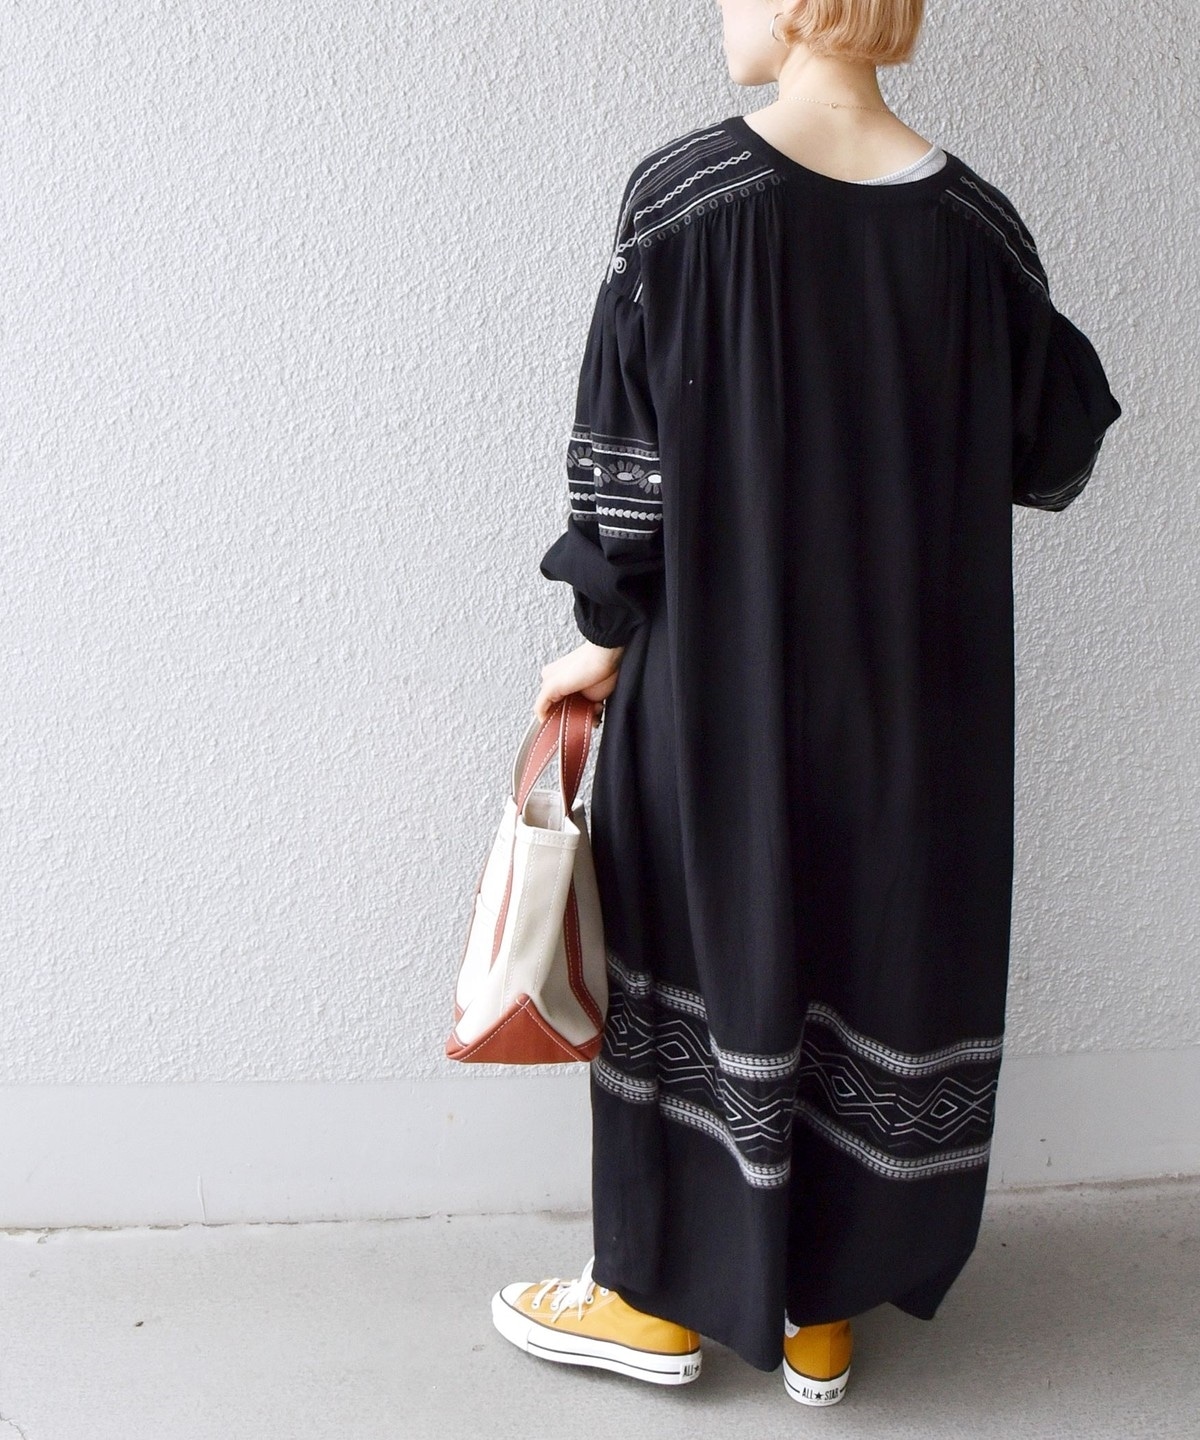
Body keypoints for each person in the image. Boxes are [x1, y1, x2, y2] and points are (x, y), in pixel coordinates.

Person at [489, 0, 1121, 1408]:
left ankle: (653, 1302)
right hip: (918, 710)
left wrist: (597, 634)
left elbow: (624, 478)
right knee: (877, 953)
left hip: (719, 686)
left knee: (697, 946)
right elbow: (1056, 443)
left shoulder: (683, 199)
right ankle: (821, 1313)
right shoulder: (980, 232)